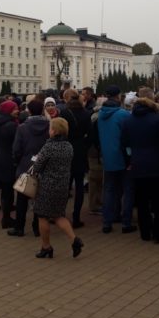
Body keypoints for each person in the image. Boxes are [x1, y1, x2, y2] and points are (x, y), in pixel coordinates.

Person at [31, 118, 83, 259]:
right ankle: (74, 240)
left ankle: (46, 246)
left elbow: (37, 167)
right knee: (58, 215)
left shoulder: (49, 147)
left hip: (47, 185)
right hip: (63, 185)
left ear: (54, 130)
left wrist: (36, 160)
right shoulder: (69, 146)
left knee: (42, 216)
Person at [122, 97, 159, 243]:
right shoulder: (158, 120)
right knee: (158, 202)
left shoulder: (128, 121)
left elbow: (124, 142)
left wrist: (128, 161)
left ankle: (145, 233)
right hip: (157, 164)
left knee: (142, 201)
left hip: (137, 164)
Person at [96, 85, 134, 234]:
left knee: (109, 191)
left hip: (108, 157)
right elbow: (129, 137)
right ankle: (126, 223)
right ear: (118, 96)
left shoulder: (100, 115)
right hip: (123, 157)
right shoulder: (123, 114)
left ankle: (107, 222)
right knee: (128, 190)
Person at [9, 100, 48, 236]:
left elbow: (16, 149)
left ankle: (19, 227)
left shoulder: (22, 128)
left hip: (26, 165)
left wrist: (18, 161)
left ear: (29, 111)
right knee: (39, 198)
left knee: (22, 198)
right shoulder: (49, 126)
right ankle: (37, 227)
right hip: (43, 166)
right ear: (42, 110)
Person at [60, 90, 92, 228]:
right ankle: (76, 217)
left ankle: (59, 215)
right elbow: (90, 135)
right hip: (79, 150)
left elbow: (60, 132)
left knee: (64, 185)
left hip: (66, 148)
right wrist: (84, 146)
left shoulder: (65, 113)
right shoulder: (86, 113)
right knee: (79, 185)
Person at [0, 100, 19, 228]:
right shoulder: (11, 126)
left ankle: (6, 217)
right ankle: (7, 218)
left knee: (5, 191)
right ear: (9, 110)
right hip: (9, 160)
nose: (17, 111)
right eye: (14, 109)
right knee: (8, 191)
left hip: (1, 158)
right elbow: (16, 144)